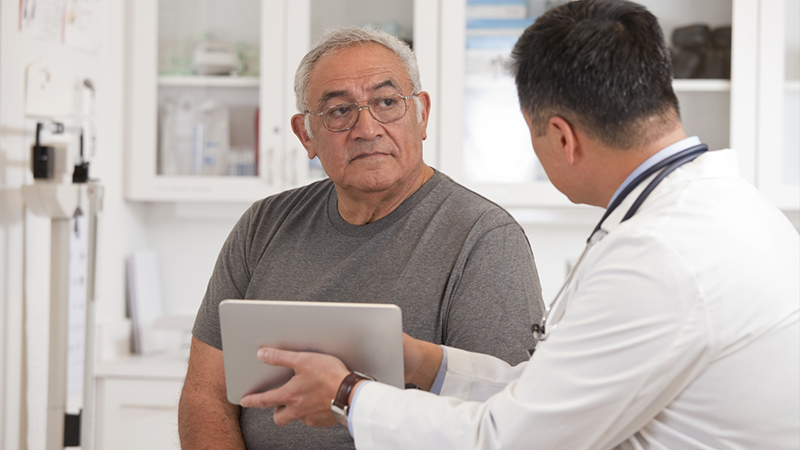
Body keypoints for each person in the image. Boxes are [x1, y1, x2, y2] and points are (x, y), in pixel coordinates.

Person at [237, 1, 800, 449]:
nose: (365, 127)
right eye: (338, 111)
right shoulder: (719, 211)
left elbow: (509, 440)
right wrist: (424, 361)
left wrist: (347, 395)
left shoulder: (660, 256)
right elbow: (547, 399)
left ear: (561, 137)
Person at [178, 27, 545, 449]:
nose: (366, 128)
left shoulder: (484, 240)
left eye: (387, 103)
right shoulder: (263, 226)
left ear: (421, 114)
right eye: (338, 111)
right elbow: (204, 395)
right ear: (305, 136)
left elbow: (503, 424)